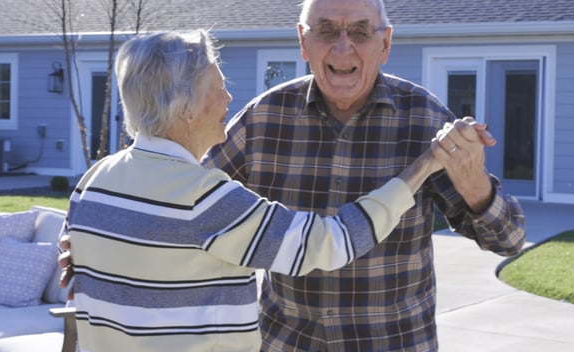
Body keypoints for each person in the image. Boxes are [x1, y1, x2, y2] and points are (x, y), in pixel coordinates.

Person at [62, 29, 451, 351]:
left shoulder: (93, 183)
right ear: (186, 108)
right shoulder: (203, 200)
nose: (229, 99)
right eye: (218, 87)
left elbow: (77, 260)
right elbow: (329, 243)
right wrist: (419, 170)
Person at [204, 0, 527, 350]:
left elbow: (509, 241)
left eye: (360, 32)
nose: (343, 49)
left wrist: (475, 184)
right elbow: (194, 203)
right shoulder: (264, 119)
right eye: (326, 31)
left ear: (385, 44)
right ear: (303, 42)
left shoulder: (423, 119)